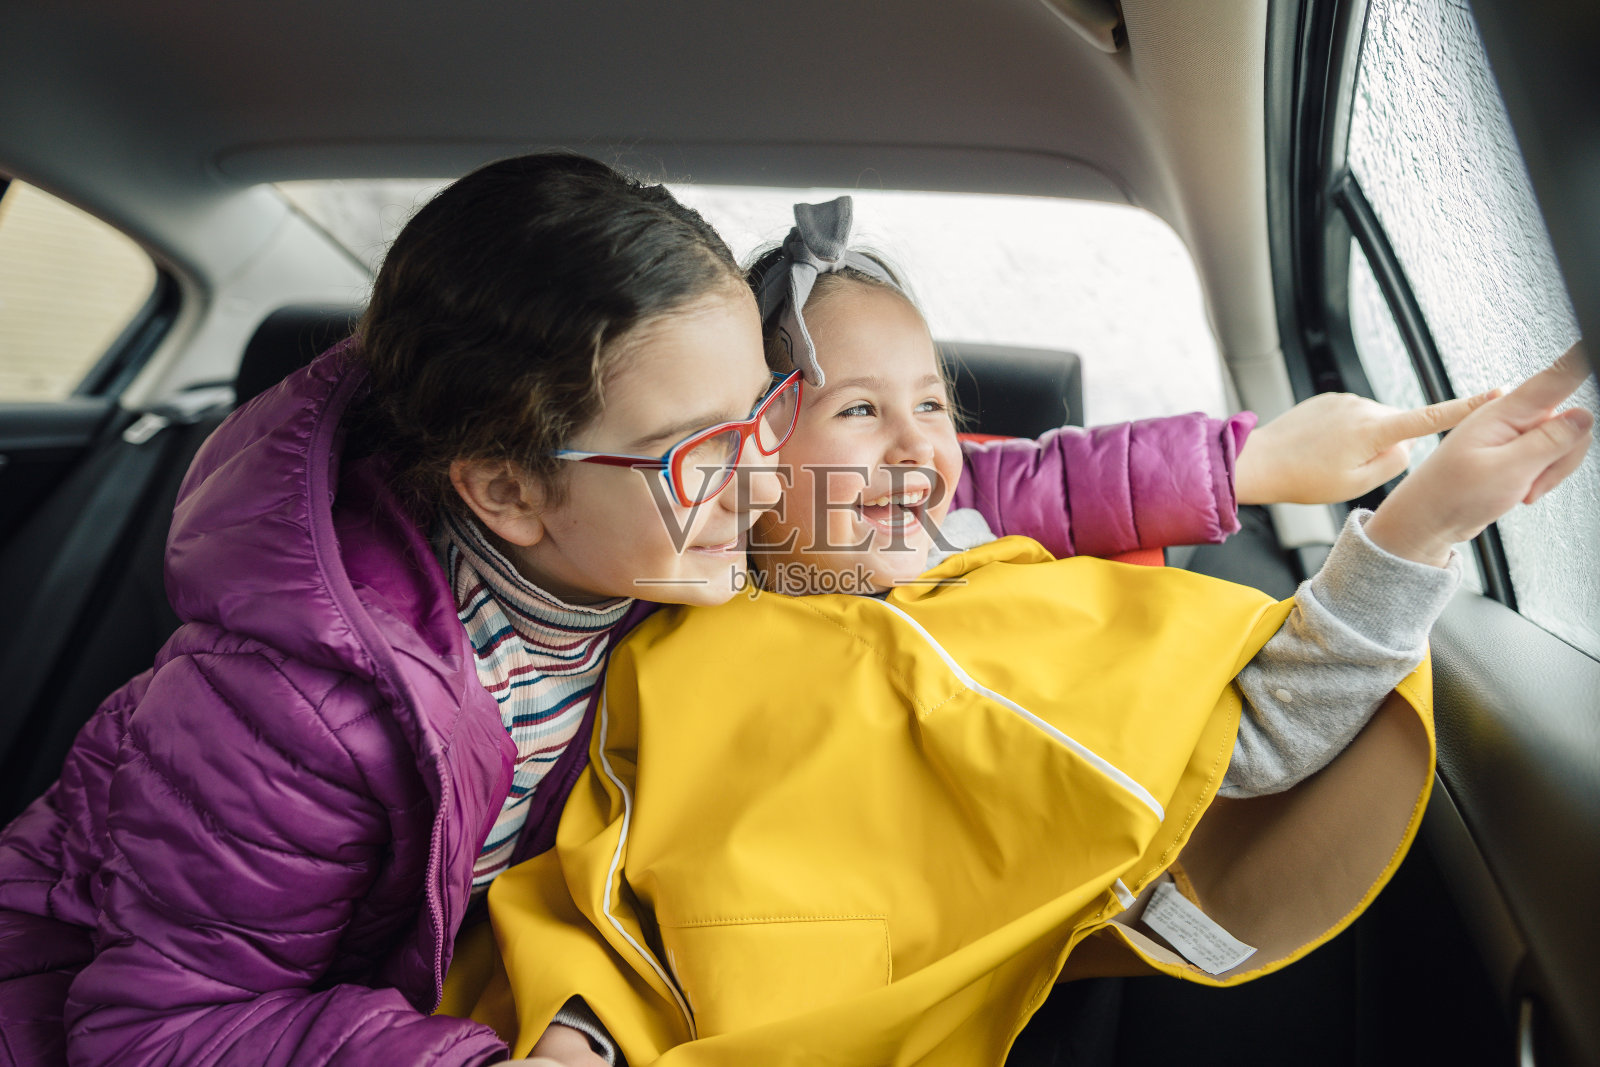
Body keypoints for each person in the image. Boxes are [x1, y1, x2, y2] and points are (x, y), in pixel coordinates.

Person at [0, 157, 1400, 1067]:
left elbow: (967, 487)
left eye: (766, 418)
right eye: (699, 449)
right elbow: (152, 1024)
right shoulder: (287, 713)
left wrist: (1248, 462)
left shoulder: (655, 543)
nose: (769, 476)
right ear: (505, 488)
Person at [444, 199, 1593, 1066]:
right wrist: (578, 1026)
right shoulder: (656, 630)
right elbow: (592, 876)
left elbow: (1245, 736)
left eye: (935, 403)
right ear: (747, 448)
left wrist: (1418, 526)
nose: (916, 446)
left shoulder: (995, 606)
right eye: (856, 409)